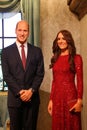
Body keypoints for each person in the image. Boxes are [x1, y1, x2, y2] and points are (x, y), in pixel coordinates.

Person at [1, 20, 44, 130]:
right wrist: (20, 92)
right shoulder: (6, 52)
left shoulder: (37, 51)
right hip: (15, 101)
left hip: (32, 100)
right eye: (20, 30)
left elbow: (40, 74)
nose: (22, 33)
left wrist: (31, 91)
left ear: (28, 32)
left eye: (25, 30)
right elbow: (6, 75)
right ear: (15, 31)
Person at [48, 30, 83, 130]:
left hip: (71, 99)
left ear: (69, 40)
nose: (61, 41)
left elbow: (80, 81)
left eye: (63, 38)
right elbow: (54, 81)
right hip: (57, 99)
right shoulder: (55, 58)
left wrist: (79, 101)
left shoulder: (76, 58)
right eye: (58, 39)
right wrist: (51, 100)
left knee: (71, 126)